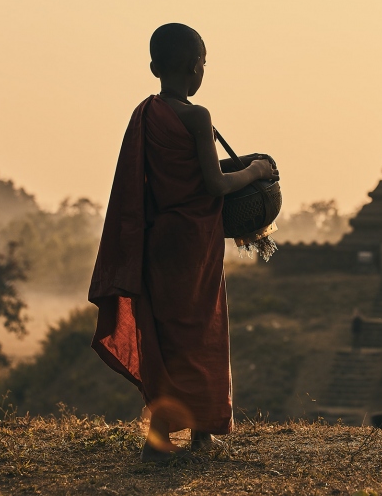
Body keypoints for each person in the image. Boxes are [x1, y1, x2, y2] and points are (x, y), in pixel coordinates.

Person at [88, 23, 278, 462]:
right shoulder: (197, 116)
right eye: (204, 62)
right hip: (194, 242)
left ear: (155, 66)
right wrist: (256, 172)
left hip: (159, 242)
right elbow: (212, 184)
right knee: (200, 332)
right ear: (196, 67)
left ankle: (161, 434)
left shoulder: (147, 114)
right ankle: (202, 432)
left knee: (166, 336)